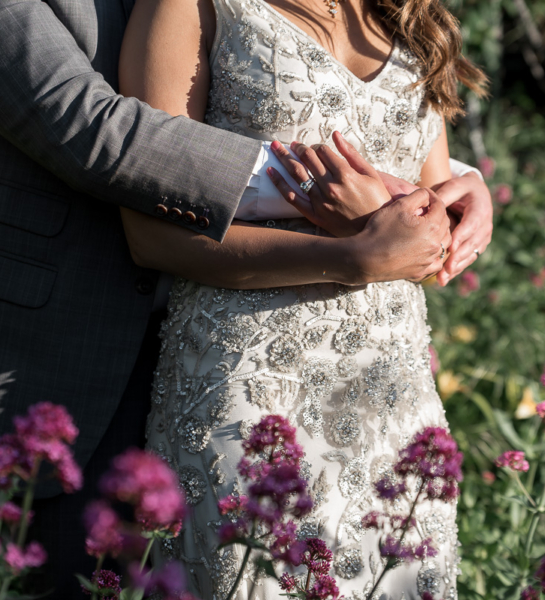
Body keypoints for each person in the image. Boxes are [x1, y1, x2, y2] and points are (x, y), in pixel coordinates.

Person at [0, 0, 492, 595]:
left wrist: (456, 193)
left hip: (359, 384)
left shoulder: (401, 15)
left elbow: (346, 108)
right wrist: (354, 215)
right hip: (84, 348)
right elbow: (95, 128)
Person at [119, 0, 488, 596]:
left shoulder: (411, 17)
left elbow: (424, 220)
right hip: (249, 387)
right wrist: (354, 259)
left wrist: (470, 195)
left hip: (392, 399)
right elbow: (152, 232)